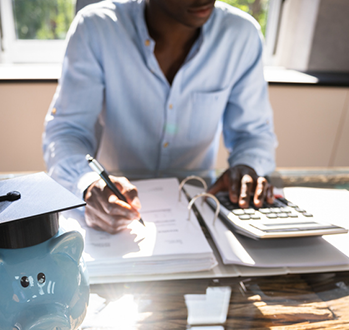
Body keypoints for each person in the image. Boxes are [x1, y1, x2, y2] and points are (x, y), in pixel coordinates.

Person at [43, 0, 277, 233]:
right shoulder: (97, 28)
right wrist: (87, 183)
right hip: (112, 210)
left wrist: (246, 166)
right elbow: (68, 131)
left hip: (200, 211)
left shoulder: (240, 35)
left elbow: (254, 133)